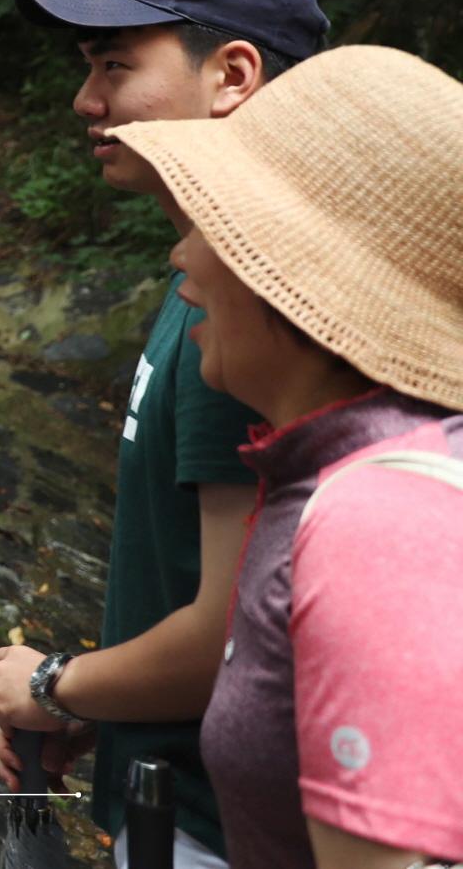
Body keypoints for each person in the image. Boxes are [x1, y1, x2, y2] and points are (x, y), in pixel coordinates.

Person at [0, 0, 329, 869]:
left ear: (232, 76)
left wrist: (53, 686)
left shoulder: (258, 314)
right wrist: (107, 699)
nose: (84, 101)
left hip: (225, 829)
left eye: (113, 66)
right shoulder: (205, 278)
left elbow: (231, 627)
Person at [108, 45, 463, 869]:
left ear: (292, 282)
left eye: (221, 227)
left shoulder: (373, 519)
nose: (183, 261)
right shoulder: (348, 472)